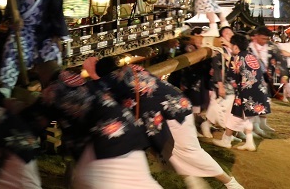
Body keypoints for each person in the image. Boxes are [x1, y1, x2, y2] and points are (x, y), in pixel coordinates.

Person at [93, 56, 244, 189]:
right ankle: (194, 182)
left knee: (190, 152)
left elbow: (98, 90)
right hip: (174, 109)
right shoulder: (133, 69)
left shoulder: (114, 79)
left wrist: (93, 73)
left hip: (173, 113)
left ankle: (230, 182)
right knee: (169, 152)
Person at [30, 60, 160, 188]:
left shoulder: (52, 92)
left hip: (103, 154)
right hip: (129, 140)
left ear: (41, 72)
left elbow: (32, 121)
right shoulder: (89, 84)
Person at [0, 0, 68, 93]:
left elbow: (57, 14)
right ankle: (6, 87)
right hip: (23, 28)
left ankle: (52, 88)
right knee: (13, 48)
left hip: (45, 31)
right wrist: (16, 17)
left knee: (53, 52)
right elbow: (14, 6)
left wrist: (58, 36)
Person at [212, 32, 269, 152]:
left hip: (246, 95)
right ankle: (250, 143)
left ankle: (226, 141)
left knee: (233, 119)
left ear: (235, 47)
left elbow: (231, 77)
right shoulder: (251, 56)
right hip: (260, 93)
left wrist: (229, 64)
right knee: (247, 119)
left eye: (232, 46)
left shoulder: (236, 58)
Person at [249, 25, 287, 135]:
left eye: (267, 39)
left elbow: (281, 60)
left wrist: (284, 75)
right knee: (253, 101)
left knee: (265, 101)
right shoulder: (248, 46)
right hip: (250, 78)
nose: (265, 41)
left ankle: (262, 123)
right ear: (256, 36)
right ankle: (254, 126)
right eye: (262, 38)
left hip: (265, 77)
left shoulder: (272, 47)